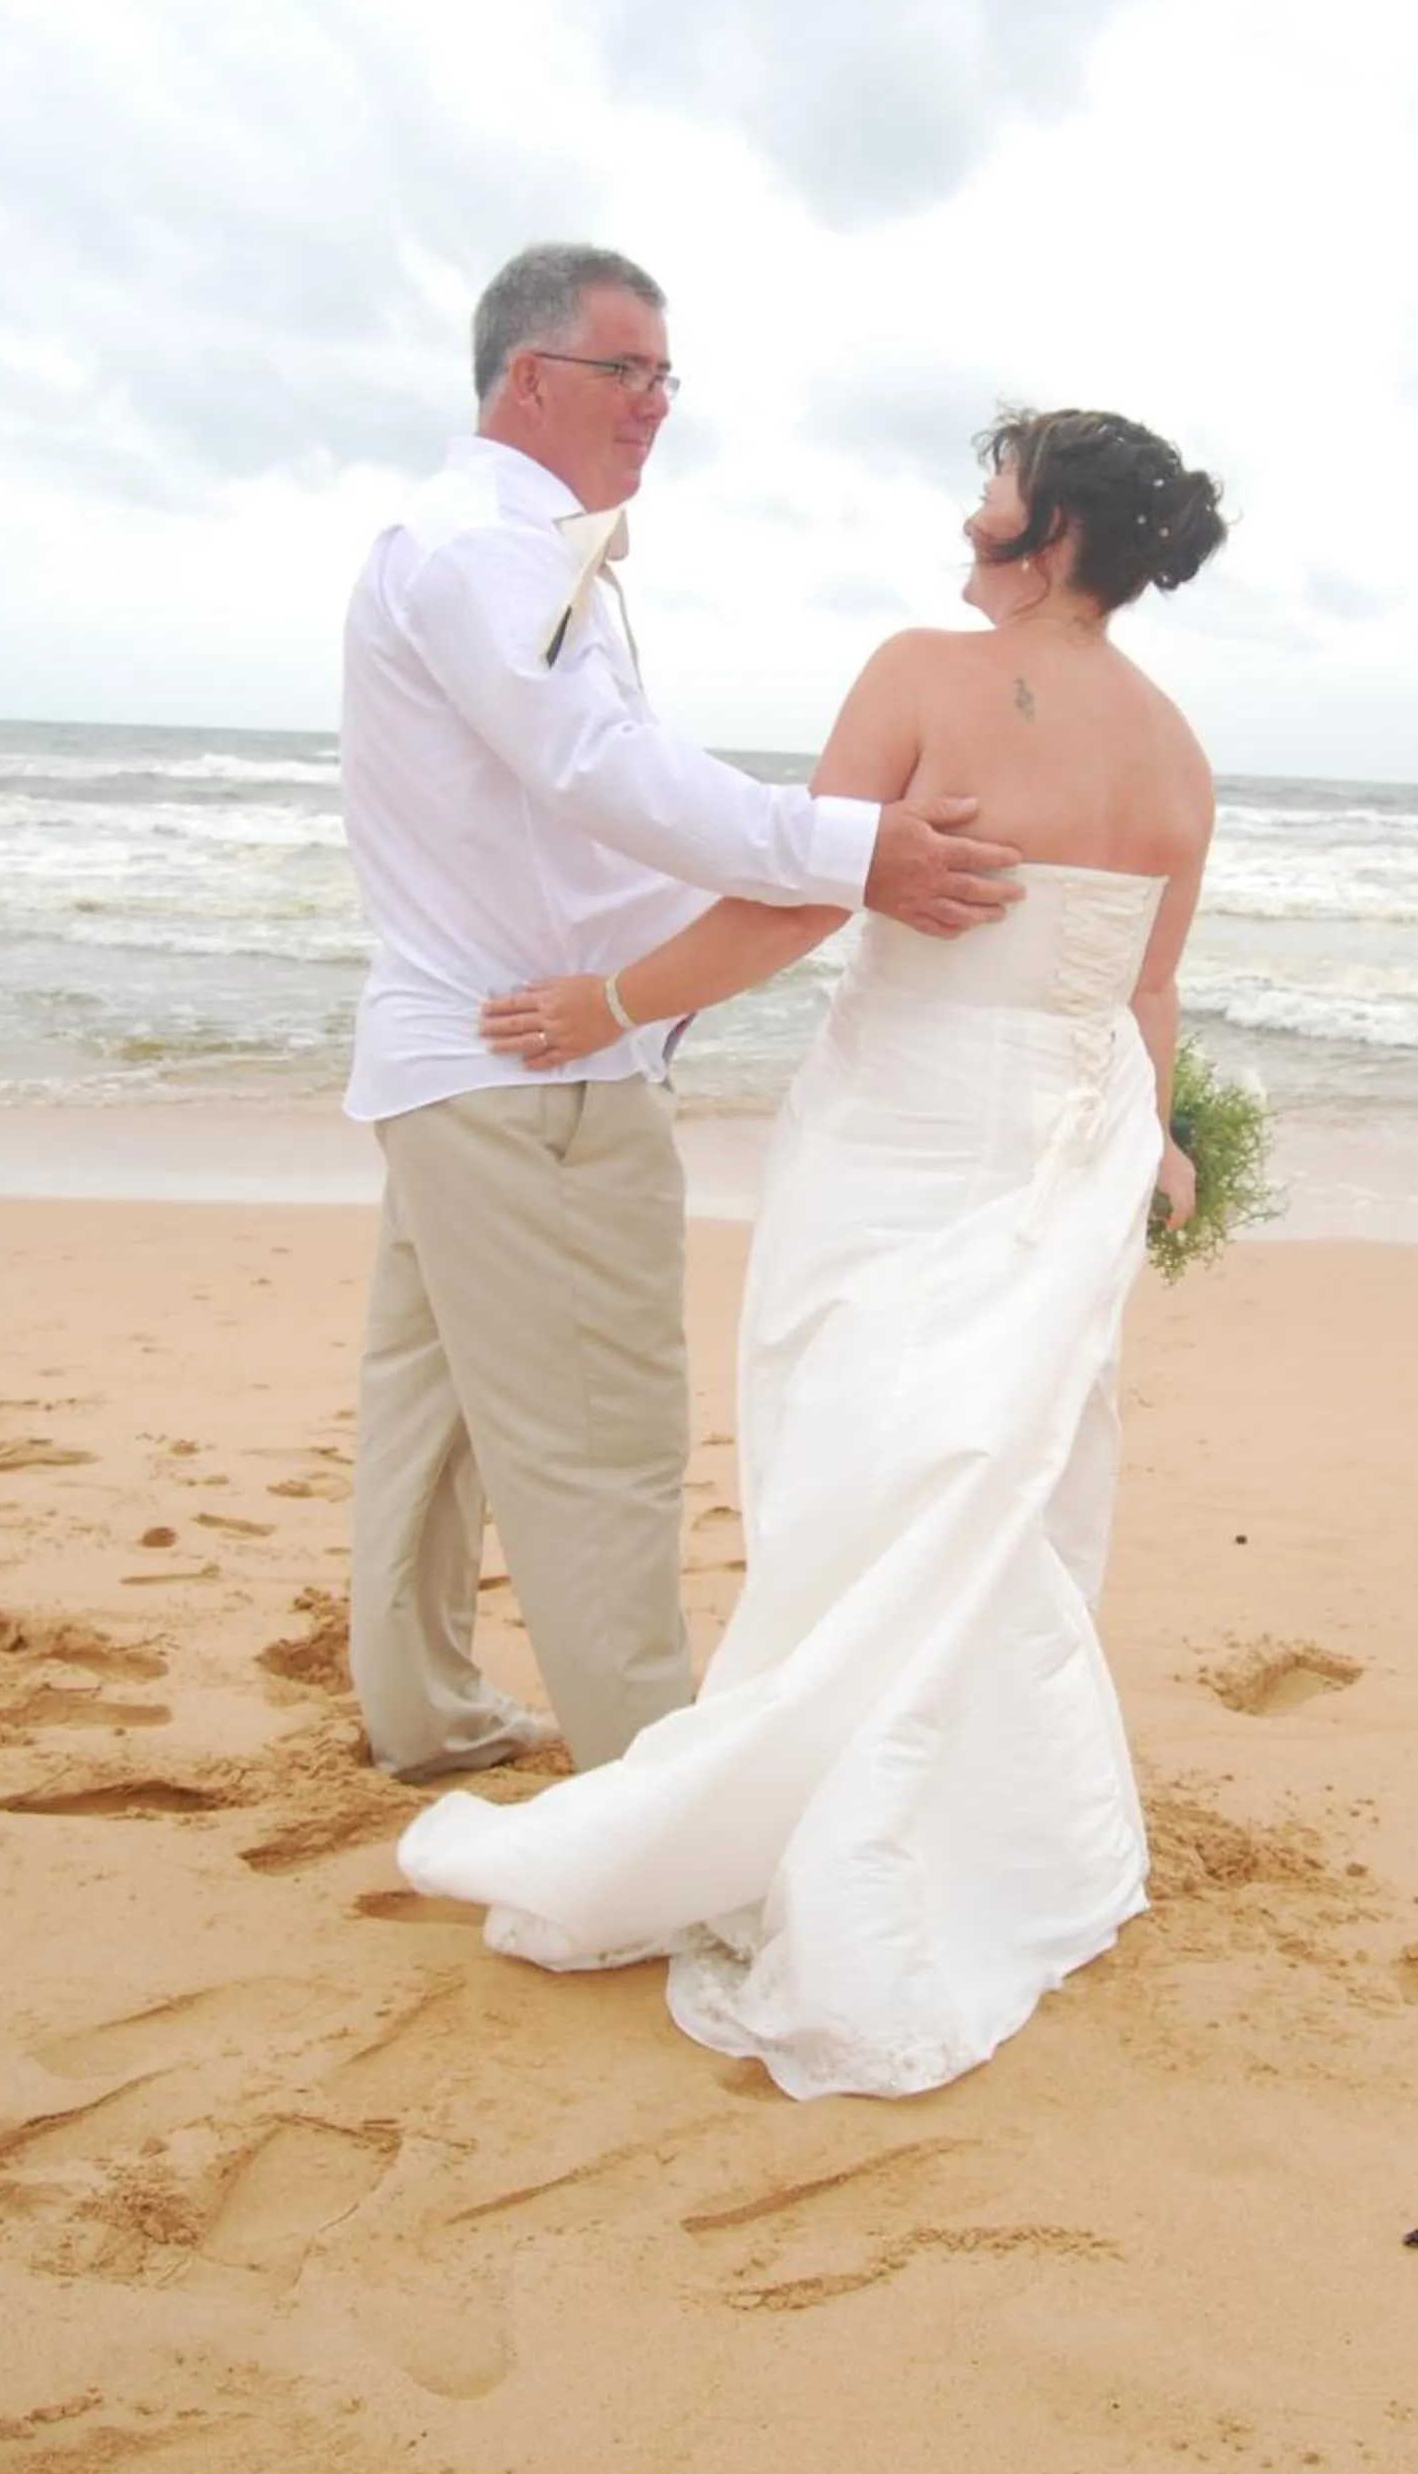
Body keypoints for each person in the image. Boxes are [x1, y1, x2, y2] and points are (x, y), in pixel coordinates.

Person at [396, 405, 1226, 2099]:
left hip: (908, 1133)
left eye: (993, 488)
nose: (968, 510)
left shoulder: (923, 671)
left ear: (1050, 530)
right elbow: (1144, 997)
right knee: (991, 1479)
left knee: (858, 1456)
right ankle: (999, 1834)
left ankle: (835, 1831)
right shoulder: (1180, 753)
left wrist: (606, 1002)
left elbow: (802, 896)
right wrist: (1164, 1142)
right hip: (1072, 1142)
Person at [340, 244, 1020, 1785]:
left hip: (454, 1058)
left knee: (431, 1426)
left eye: (666, 377)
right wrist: (853, 852)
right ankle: (653, 1795)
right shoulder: (487, 554)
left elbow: (571, 803)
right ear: (531, 378)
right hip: (526, 1075)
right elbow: (606, 774)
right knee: (602, 1447)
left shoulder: (475, 542)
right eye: (625, 371)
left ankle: (425, 1715)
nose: (657, 404)